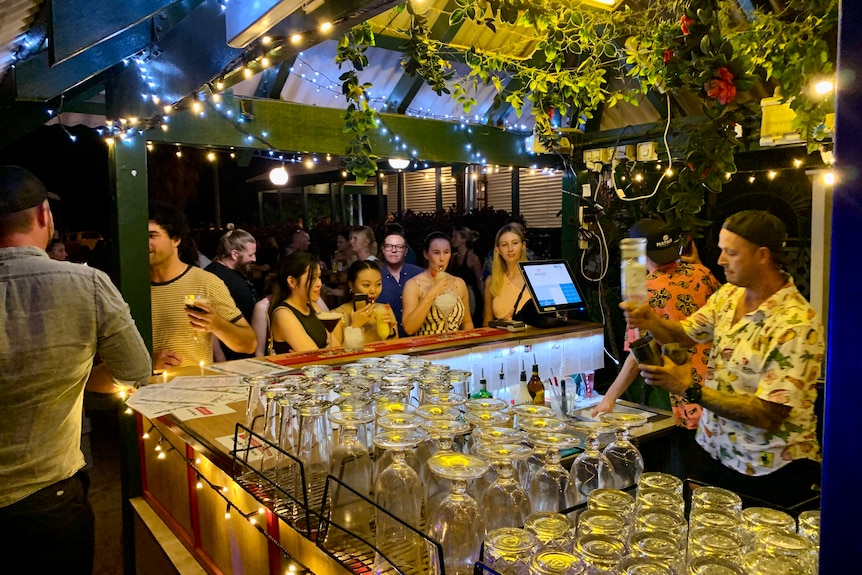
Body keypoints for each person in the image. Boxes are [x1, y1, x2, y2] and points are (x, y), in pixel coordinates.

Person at [0, 166, 151, 573]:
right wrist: (70, 376)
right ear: (43, 215)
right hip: (48, 497)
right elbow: (135, 369)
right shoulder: (86, 283)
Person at [626, 210, 824, 506]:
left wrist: (689, 389)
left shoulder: (796, 323)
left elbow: (767, 414)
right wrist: (650, 320)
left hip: (768, 468)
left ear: (762, 255)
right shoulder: (729, 295)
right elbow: (685, 333)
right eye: (721, 250)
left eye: (731, 253)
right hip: (716, 452)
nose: (719, 260)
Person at [593, 219, 720, 420]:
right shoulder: (702, 273)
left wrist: (609, 398)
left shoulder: (644, 292)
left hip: (678, 389)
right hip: (715, 390)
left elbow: (639, 351)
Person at [149, 202, 256, 370]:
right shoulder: (130, 288)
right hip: (141, 393)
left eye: (151, 235)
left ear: (176, 239)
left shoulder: (205, 282)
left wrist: (217, 325)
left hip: (196, 390)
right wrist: (147, 363)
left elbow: (249, 344)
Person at [402, 231, 474, 335]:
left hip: (455, 347)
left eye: (446, 252)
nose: (442, 259)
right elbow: (409, 328)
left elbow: (467, 323)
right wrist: (431, 294)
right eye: (436, 253)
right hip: (427, 347)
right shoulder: (413, 285)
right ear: (426, 254)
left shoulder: (459, 283)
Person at [205, 229, 259, 361]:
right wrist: (220, 358)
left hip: (245, 349)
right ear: (234, 254)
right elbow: (209, 320)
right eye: (251, 255)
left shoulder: (235, 271)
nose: (254, 259)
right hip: (231, 354)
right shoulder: (213, 275)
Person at [268, 251, 329, 353]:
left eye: (319, 277)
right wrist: (328, 350)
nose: (319, 283)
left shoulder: (314, 307)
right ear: (292, 281)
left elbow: (336, 348)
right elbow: (314, 356)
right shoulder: (283, 315)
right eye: (312, 278)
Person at [332, 260, 399, 344]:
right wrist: (355, 325)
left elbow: (395, 350)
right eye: (366, 285)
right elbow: (335, 354)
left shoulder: (384, 310)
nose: (373, 290)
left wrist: (391, 332)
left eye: (378, 284)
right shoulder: (338, 315)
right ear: (351, 285)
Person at [376, 224, 423, 337]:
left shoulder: (419, 274)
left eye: (399, 247)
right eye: (389, 246)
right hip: (387, 339)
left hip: (418, 338)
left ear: (405, 251)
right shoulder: (375, 278)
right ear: (383, 250)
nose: (394, 250)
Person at [483, 223, 532, 325]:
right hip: (502, 339)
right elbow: (487, 322)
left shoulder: (534, 277)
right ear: (498, 249)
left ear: (523, 246)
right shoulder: (491, 281)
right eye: (504, 245)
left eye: (515, 243)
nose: (510, 249)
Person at [448, 226, 484, 327]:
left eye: (455, 237)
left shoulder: (472, 258)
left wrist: (484, 303)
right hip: (454, 296)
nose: (452, 240)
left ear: (464, 239)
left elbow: (480, 281)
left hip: (470, 297)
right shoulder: (453, 257)